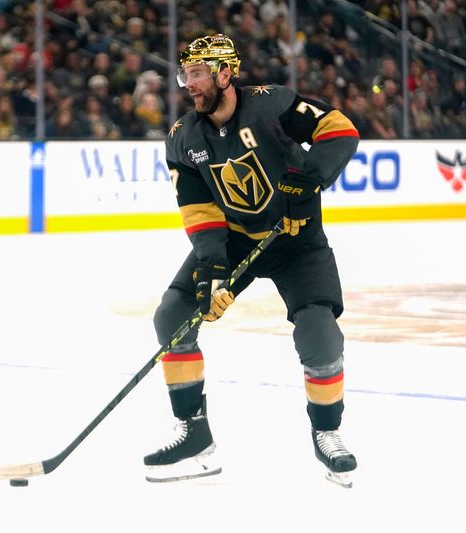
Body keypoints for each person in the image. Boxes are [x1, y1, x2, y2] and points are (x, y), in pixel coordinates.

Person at [144, 34, 359, 487]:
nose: (190, 84)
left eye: (198, 74)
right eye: (186, 76)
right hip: (238, 241)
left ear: (226, 73)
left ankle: (328, 434)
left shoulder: (272, 104)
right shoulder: (183, 139)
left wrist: (309, 179)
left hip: (297, 242)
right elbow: (201, 213)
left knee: (320, 333)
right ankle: (195, 436)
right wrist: (212, 271)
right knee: (173, 316)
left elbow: (339, 129)